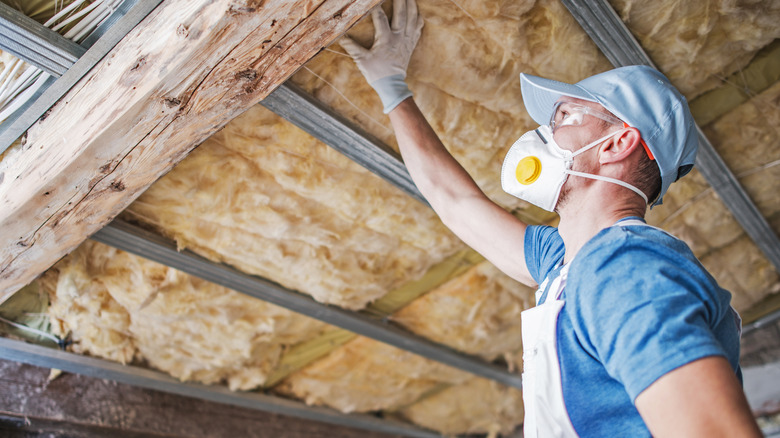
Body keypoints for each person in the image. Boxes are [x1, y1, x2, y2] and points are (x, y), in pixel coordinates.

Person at [339, 0, 764, 436]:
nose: (543, 132)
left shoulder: (624, 269)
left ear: (616, 145)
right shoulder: (568, 264)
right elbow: (454, 201)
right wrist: (392, 89)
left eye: (563, 117)